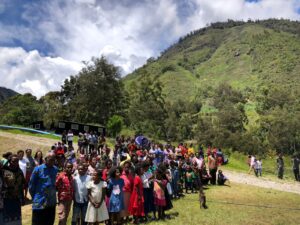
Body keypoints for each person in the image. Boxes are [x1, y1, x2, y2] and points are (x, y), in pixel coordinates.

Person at [29, 152, 58, 225]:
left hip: (51, 203)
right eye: (51, 159)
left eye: (54, 159)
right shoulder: (38, 169)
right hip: (39, 202)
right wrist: (35, 197)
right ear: (45, 159)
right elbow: (31, 186)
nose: (53, 161)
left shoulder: (55, 169)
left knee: (49, 222)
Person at [2, 154, 25, 225]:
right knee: (7, 220)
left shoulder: (20, 171)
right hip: (6, 199)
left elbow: (22, 185)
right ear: (9, 161)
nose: (16, 163)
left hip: (17, 198)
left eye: (17, 161)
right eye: (13, 161)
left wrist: (22, 198)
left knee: (17, 219)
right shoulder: (4, 171)